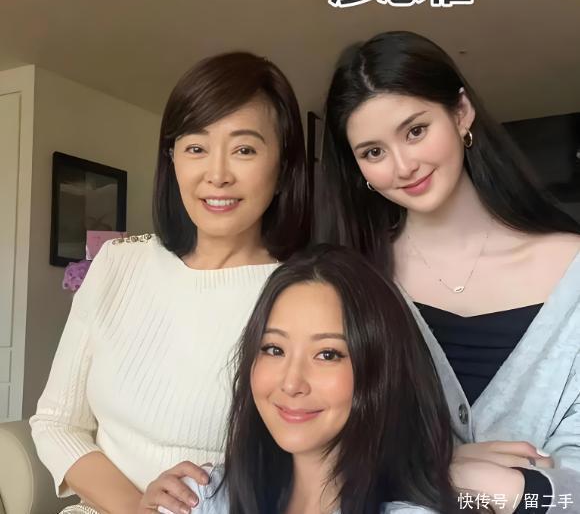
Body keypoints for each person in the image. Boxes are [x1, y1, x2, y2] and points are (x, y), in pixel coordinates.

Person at [30, 51, 310, 514]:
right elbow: (56, 423)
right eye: (196, 148)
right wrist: (135, 506)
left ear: (282, 168)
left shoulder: (308, 294)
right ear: (173, 160)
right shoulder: (118, 264)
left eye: (244, 149)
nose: (217, 175)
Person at [319, 31, 580, 512]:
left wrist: (490, 485)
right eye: (373, 152)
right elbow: (324, 456)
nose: (403, 166)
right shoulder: (351, 282)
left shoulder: (573, 274)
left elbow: (574, 492)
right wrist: (440, 469)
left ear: (461, 113)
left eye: (415, 131)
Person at [162, 244, 513, 514]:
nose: (291, 383)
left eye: (327, 354)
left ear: (381, 370)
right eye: (274, 349)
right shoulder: (200, 497)